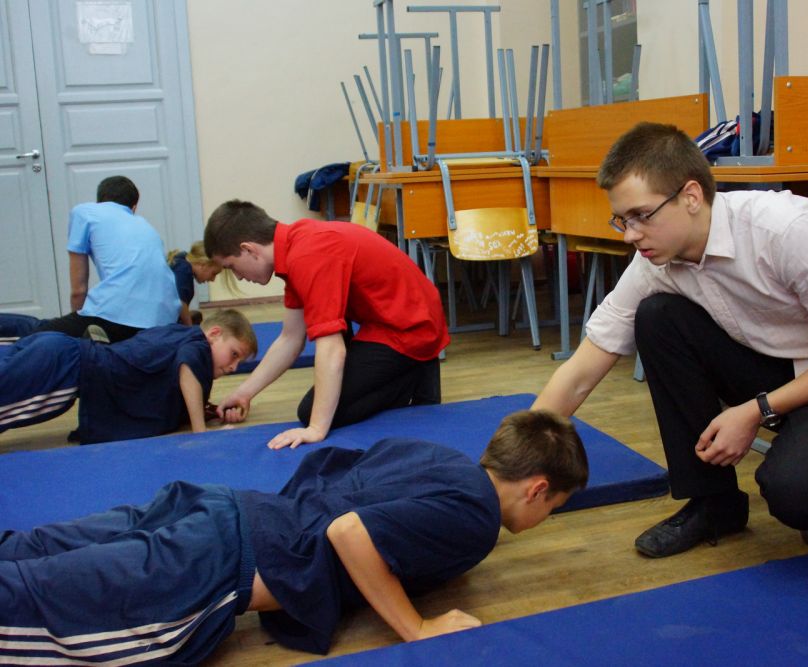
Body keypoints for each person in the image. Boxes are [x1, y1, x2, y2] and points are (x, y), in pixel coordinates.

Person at [533, 122, 808, 558]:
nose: (629, 234)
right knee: (657, 317)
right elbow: (582, 371)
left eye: (642, 216)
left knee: (795, 493)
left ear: (691, 197)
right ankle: (714, 504)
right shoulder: (654, 261)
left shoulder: (787, 231)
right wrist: (514, 459)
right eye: (623, 219)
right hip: (781, 369)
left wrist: (755, 410)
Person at [0, 409, 589, 664]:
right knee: (27, 607)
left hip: (220, 505)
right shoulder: (477, 519)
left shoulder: (437, 455)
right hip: (214, 564)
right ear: (537, 488)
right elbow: (350, 531)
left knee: (29, 551)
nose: (547, 517)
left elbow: (330, 470)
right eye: (555, 507)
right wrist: (417, 627)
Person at [203, 199, 450, 450]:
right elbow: (290, 338)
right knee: (325, 402)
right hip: (398, 320)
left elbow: (332, 350)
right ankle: (410, 372)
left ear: (249, 249)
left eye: (231, 267)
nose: (238, 276)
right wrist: (244, 393)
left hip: (411, 330)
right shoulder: (295, 246)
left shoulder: (308, 255)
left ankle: (411, 374)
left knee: (312, 412)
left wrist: (316, 429)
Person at [0, 309, 257, 444]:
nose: (233, 367)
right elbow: (187, 368)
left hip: (59, 350)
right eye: (233, 354)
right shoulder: (198, 345)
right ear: (213, 334)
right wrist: (201, 432)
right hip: (64, 367)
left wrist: (215, 412)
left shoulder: (179, 333)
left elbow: (171, 385)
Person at [34, 175, 180, 343]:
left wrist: (78, 326)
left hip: (116, 316)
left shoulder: (84, 213)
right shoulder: (147, 226)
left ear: (100, 201)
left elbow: (78, 290)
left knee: (38, 337)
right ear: (133, 207)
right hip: (164, 322)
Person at [167, 240, 224, 325]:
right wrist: (189, 327)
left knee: (197, 316)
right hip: (164, 323)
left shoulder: (181, 260)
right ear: (203, 264)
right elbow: (180, 303)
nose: (213, 279)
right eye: (213, 273)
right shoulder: (184, 271)